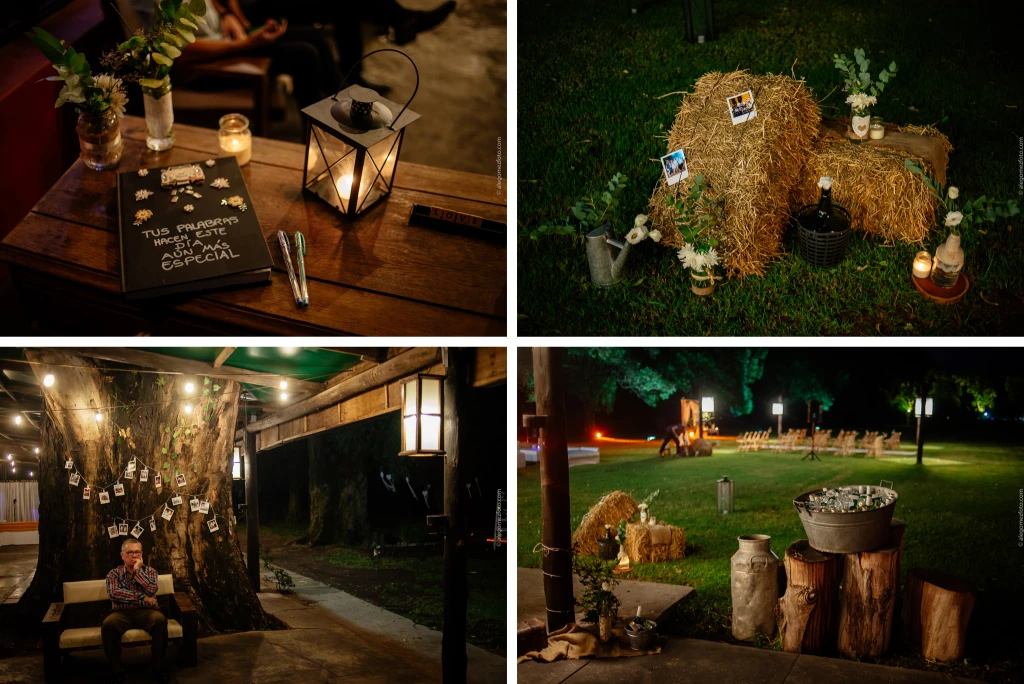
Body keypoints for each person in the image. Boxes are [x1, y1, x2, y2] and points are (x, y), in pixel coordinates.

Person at [102, 538, 168, 684]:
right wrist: (143, 597)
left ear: (142, 554)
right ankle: (117, 670)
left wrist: (138, 571)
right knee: (109, 625)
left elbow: (152, 589)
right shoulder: (114, 574)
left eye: (137, 552)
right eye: (130, 552)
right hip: (121, 613)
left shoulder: (150, 572)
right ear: (122, 555)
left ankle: (158, 668)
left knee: (160, 620)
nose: (134, 555)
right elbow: (115, 594)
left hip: (146, 612)